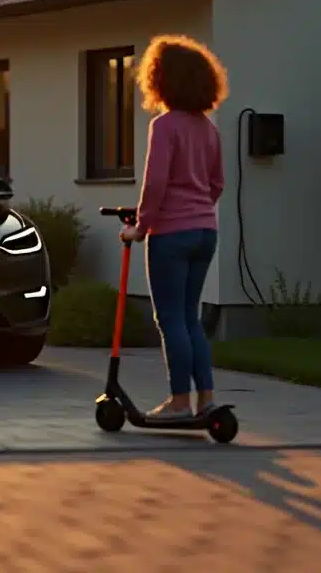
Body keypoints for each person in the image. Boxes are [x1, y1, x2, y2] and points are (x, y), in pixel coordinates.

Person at [120, 34, 228, 421]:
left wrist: (141, 226)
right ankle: (207, 399)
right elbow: (217, 184)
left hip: (171, 234)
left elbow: (156, 183)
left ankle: (180, 402)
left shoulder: (165, 126)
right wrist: (197, 211)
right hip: (205, 231)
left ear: (161, 80)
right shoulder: (208, 129)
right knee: (190, 316)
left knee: (170, 318)